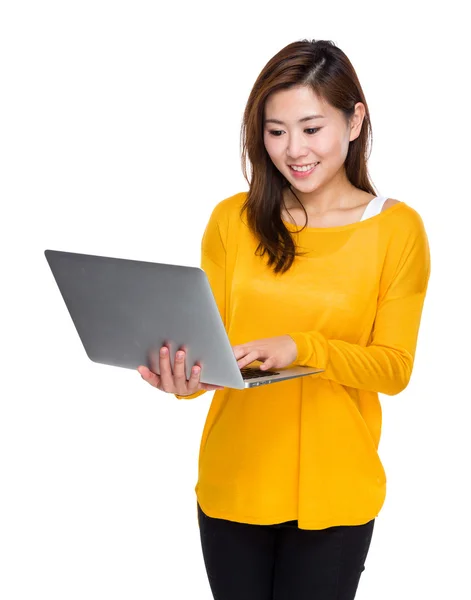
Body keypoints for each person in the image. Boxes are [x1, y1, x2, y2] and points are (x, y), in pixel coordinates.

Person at [137, 39, 431, 600]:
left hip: (335, 493)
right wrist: (183, 379)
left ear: (355, 120)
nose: (293, 149)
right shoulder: (232, 220)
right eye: (275, 131)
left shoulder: (397, 230)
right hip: (234, 482)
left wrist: (304, 347)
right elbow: (213, 349)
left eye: (311, 128)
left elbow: (394, 370)